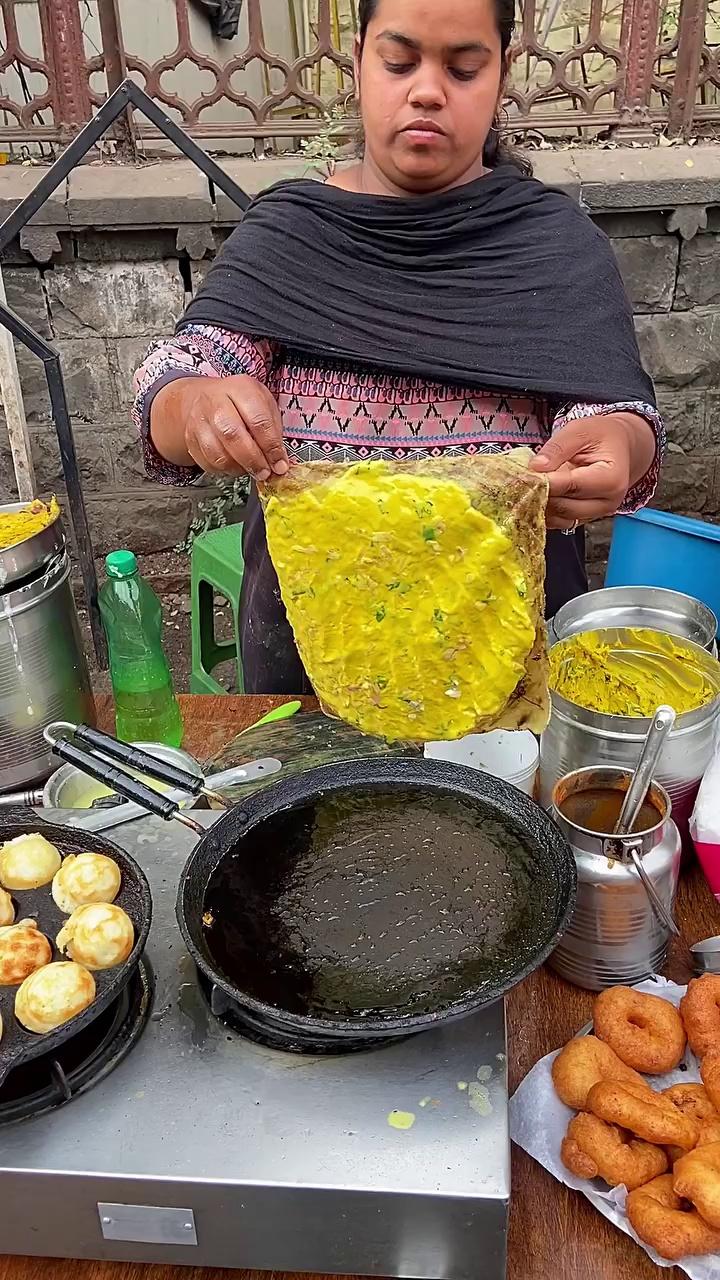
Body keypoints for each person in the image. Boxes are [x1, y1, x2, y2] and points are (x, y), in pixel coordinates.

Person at [133, 0, 663, 695]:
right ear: (358, 65)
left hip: (501, 670)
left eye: (464, 68)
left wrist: (618, 445)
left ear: (501, 75)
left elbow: (616, 415)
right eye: (400, 61)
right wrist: (192, 404)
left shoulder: (554, 246)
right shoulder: (292, 236)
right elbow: (177, 382)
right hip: (316, 666)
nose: (427, 90)